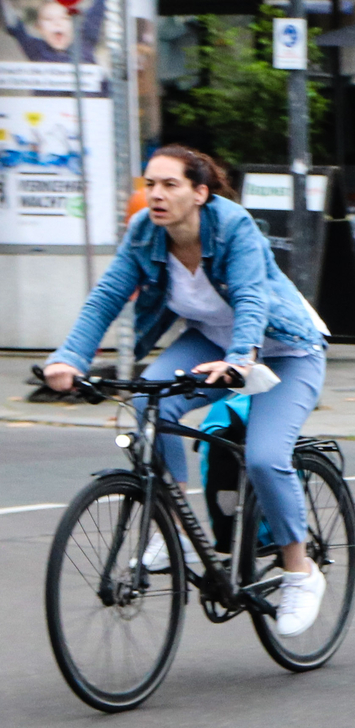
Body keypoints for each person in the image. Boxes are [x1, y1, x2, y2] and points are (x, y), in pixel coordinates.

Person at [40, 145, 333, 636]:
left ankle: (299, 570)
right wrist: (69, 357)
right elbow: (107, 297)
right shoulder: (145, 233)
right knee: (147, 401)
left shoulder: (233, 226)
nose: (156, 194)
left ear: (200, 193)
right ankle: (168, 527)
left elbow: (250, 297)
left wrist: (241, 360)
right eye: (150, 184)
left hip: (286, 350)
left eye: (169, 185)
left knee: (262, 458)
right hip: (211, 341)